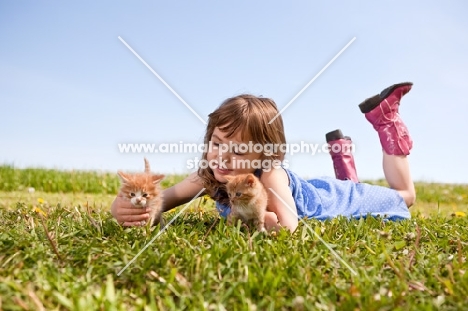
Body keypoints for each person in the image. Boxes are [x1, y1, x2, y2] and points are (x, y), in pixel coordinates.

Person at [111, 82, 416, 232]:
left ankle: (385, 120)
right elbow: (162, 200)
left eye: (239, 150)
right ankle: (342, 154)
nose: (222, 157)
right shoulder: (208, 174)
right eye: (217, 143)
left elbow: (289, 227)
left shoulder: (270, 175)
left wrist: (260, 221)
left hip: (335, 200)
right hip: (317, 188)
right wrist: (128, 208)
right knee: (354, 185)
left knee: (406, 196)